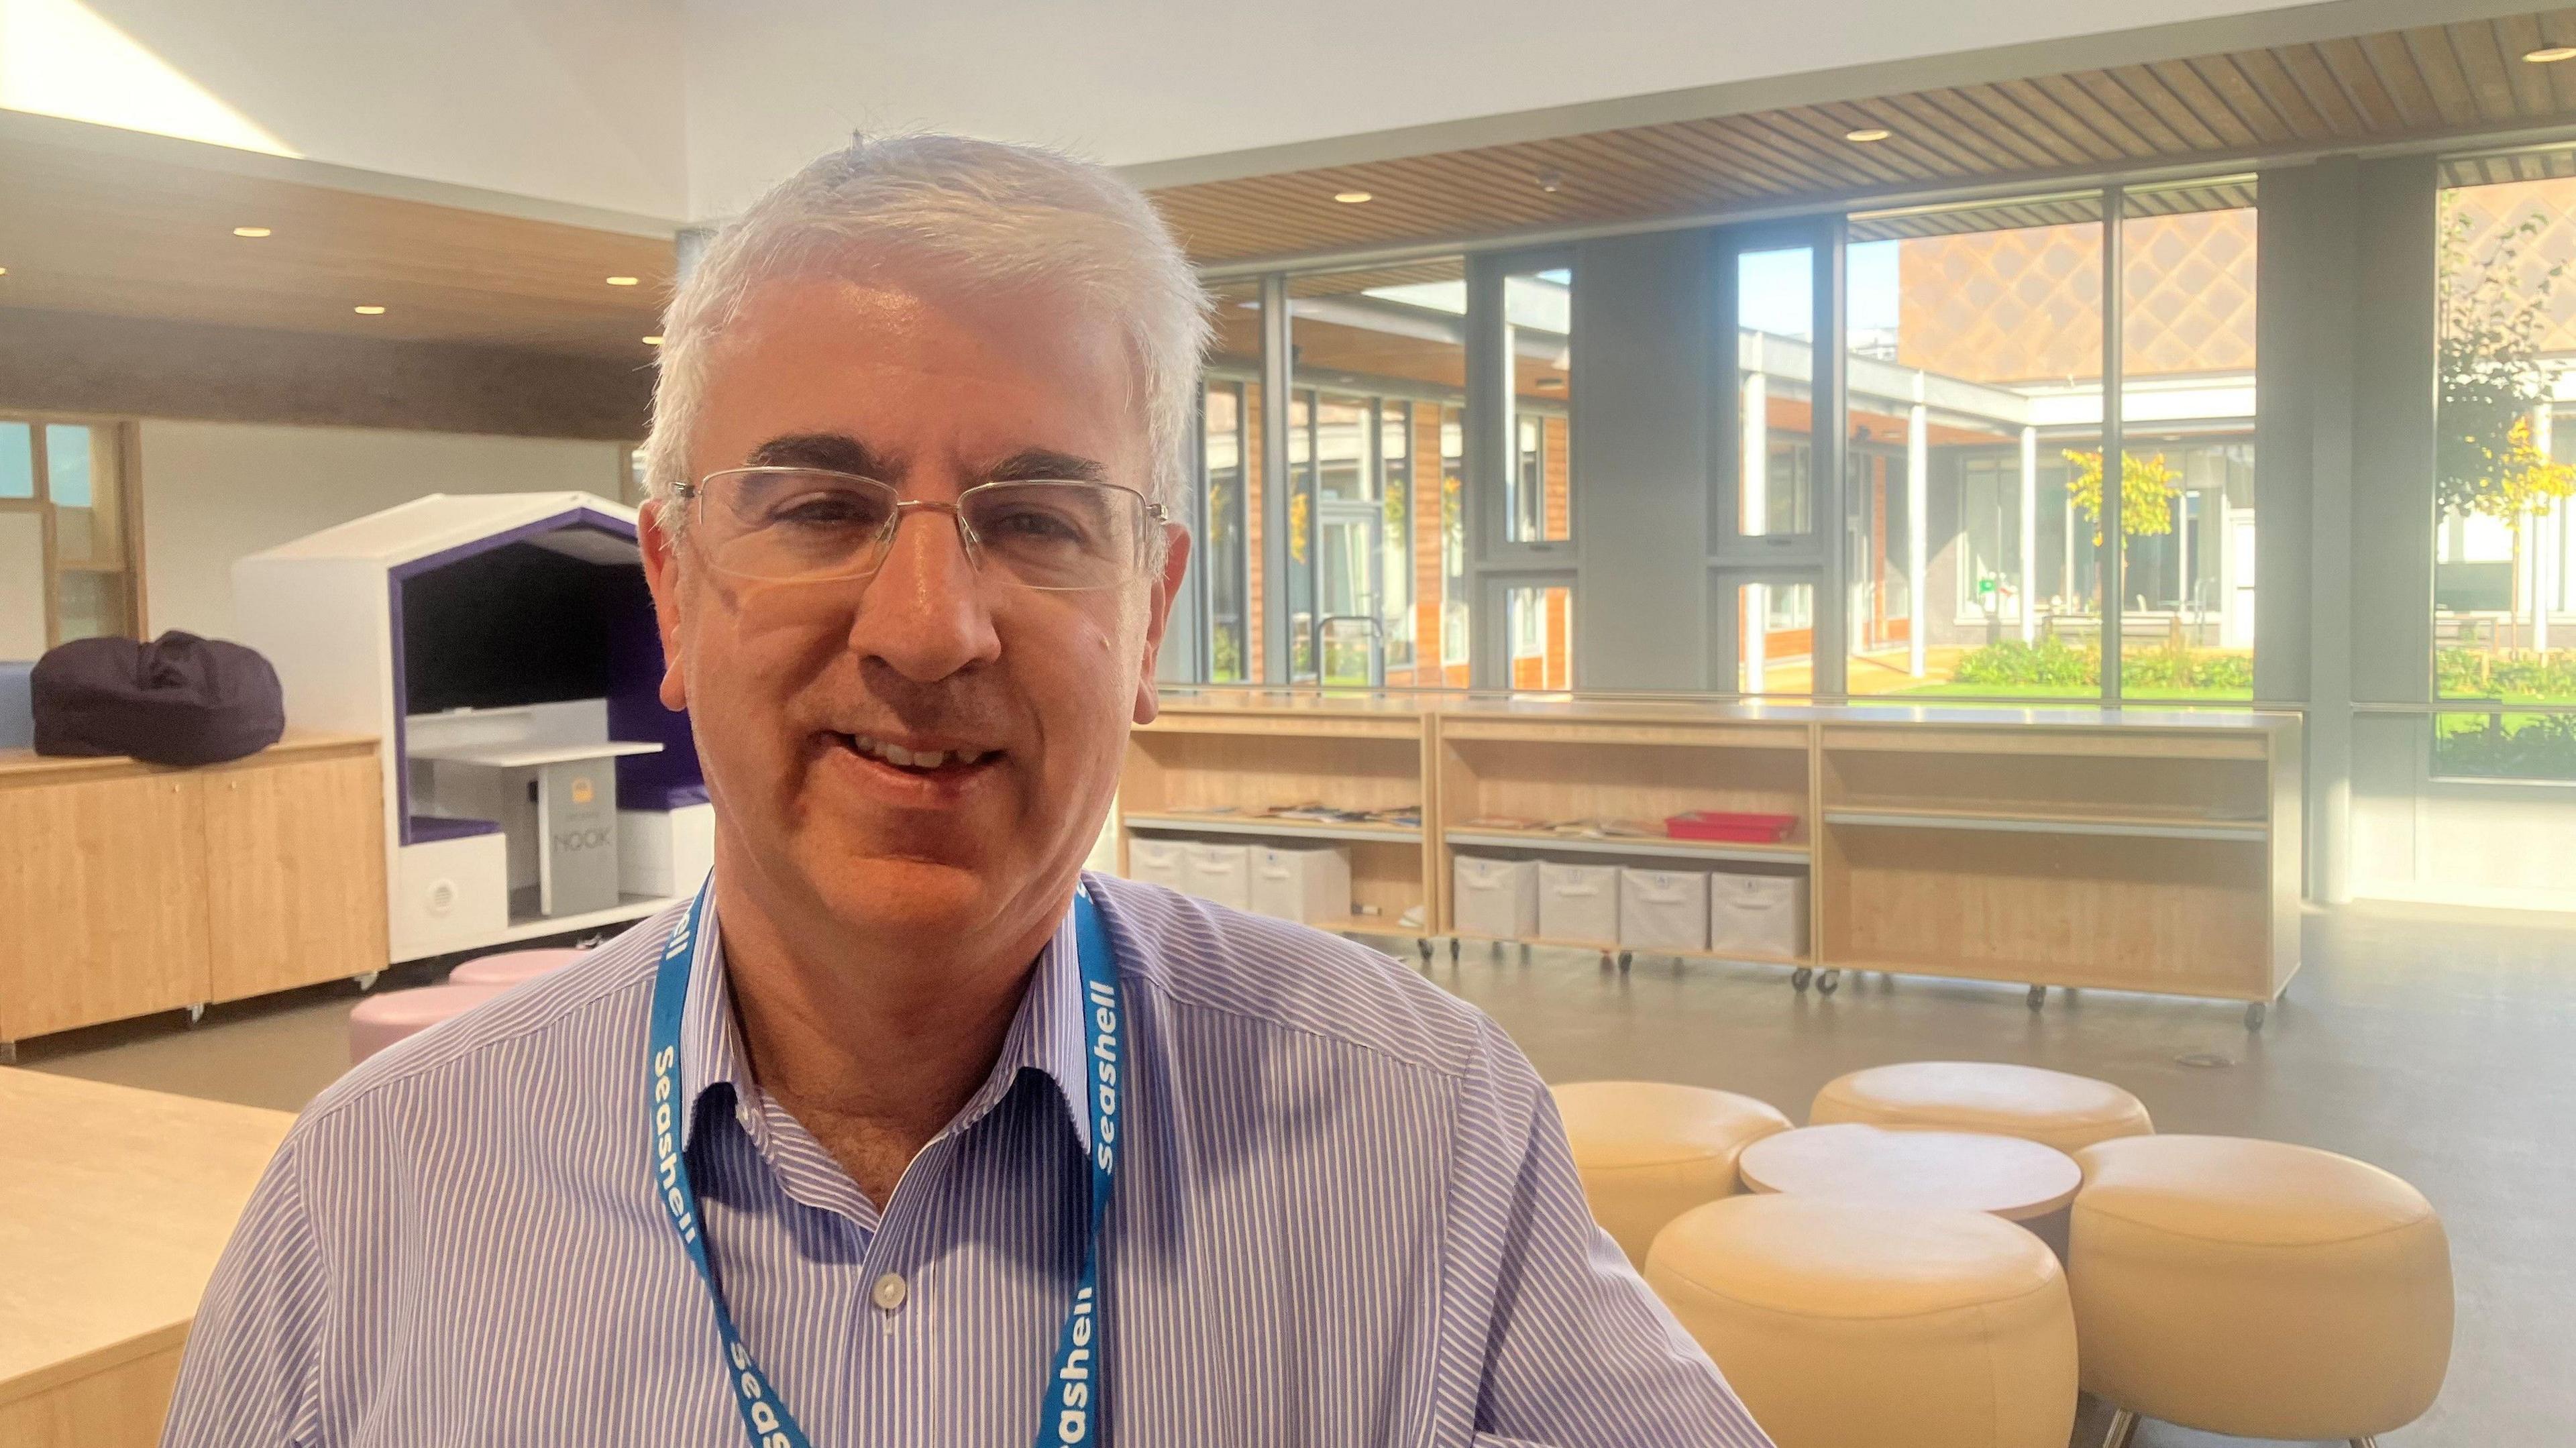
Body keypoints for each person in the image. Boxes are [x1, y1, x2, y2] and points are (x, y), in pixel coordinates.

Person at [162, 134, 1770, 1448]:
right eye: (817, 506)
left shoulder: (1420, 1130)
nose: (928, 629)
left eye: (1042, 519)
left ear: (1147, 611)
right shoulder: (378, 1194)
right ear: (669, 591)